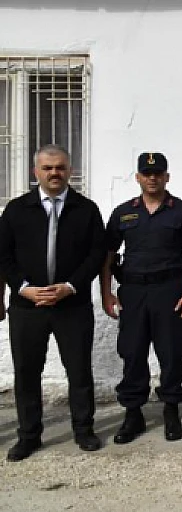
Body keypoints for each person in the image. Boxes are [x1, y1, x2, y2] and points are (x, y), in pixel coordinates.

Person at [0, 145, 106, 461]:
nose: (54, 173)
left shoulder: (86, 210)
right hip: (27, 307)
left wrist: (71, 286)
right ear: (36, 173)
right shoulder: (17, 210)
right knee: (27, 373)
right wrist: (23, 288)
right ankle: (29, 436)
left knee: (79, 371)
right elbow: (3, 256)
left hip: (71, 305)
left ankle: (84, 430)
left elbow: (96, 254)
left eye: (60, 167)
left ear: (69, 170)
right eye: (47, 168)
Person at [102, 152, 182, 444]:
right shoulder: (123, 213)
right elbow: (107, 257)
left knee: (171, 353)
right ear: (138, 178)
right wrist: (106, 293)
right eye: (147, 173)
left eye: (158, 173)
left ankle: (171, 410)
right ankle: (133, 414)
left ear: (167, 177)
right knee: (132, 352)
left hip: (169, 291)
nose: (152, 178)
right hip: (132, 293)